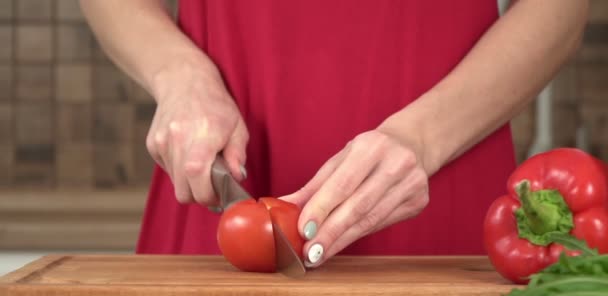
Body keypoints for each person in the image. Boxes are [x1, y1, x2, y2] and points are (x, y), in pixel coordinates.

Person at [80, 0, 588, 267]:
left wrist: (423, 140)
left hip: (436, 193)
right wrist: (179, 74)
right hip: (220, 187)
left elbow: (560, 10)